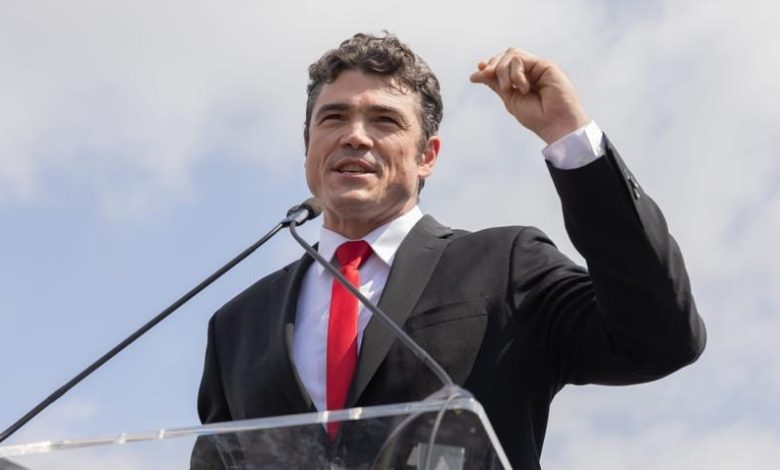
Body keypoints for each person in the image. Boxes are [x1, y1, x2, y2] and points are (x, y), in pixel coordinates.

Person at [195, 32, 706, 469]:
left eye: (384, 121)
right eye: (334, 117)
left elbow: (659, 337)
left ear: (428, 157)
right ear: (308, 146)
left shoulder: (504, 265)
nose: (355, 136)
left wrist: (568, 134)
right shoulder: (237, 325)